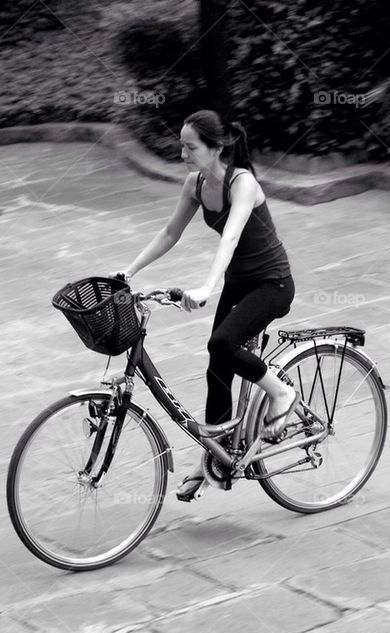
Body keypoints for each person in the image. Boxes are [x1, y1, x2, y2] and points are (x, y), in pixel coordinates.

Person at [115, 110, 297, 502]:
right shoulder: (195, 184)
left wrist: (207, 287)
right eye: (180, 145)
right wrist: (126, 272)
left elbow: (230, 238)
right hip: (240, 283)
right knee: (217, 365)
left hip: (272, 284)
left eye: (190, 146)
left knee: (223, 344)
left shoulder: (241, 182)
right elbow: (169, 233)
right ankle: (215, 455)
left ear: (216, 148)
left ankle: (280, 394)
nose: (182, 152)